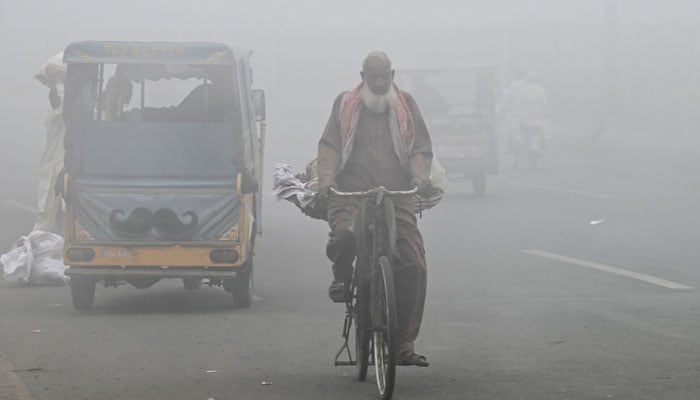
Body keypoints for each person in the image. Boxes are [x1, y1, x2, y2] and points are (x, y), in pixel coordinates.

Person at [317, 50, 433, 367]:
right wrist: (326, 181)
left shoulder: (406, 105)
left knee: (414, 264)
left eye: (385, 76)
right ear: (363, 76)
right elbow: (329, 146)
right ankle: (342, 278)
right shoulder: (345, 104)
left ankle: (403, 343)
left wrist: (420, 177)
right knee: (344, 235)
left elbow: (420, 148)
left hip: (396, 195)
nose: (379, 82)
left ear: (392, 76)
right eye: (373, 77)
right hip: (352, 192)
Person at [33, 53, 66, 234]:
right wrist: (58, 80)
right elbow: (64, 106)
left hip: (64, 169)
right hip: (53, 171)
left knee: (68, 217)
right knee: (44, 218)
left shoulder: (66, 116)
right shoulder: (54, 117)